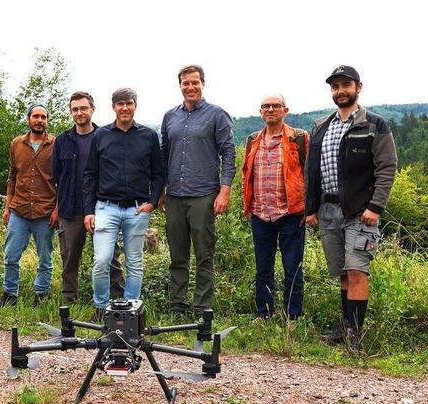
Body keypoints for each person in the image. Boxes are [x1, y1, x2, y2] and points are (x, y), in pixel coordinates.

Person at [305, 65, 397, 351]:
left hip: (360, 211)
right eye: (335, 86)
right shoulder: (321, 126)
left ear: (358, 87)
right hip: (328, 209)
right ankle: (345, 328)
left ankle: (356, 336)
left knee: (357, 272)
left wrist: (376, 207)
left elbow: (387, 167)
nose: (340, 91)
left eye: (346, 85)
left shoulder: (374, 124)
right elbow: (313, 171)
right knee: (343, 273)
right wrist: (311, 209)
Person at [160, 65, 236, 319]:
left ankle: (202, 308)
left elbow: (228, 153)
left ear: (203, 84)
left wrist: (224, 191)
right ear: (179, 85)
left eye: (195, 82)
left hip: (204, 194)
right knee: (177, 255)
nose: (190, 87)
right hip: (174, 196)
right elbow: (164, 154)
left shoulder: (217, 115)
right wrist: (161, 191)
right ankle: (177, 307)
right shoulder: (170, 117)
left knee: (204, 254)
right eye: (185, 83)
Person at [83, 88, 164, 319]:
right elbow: (90, 175)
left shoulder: (148, 136)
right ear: (113, 107)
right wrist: (89, 211)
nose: (124, 108)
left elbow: (158, 173)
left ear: (135, 105)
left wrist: (152, 203)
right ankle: (101, 309)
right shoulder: (102, 136)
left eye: (128, 103)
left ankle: (131, 311)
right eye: (120, 104)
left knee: (135, 261)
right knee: (101, 260)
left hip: (137, 208)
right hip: (106, 207)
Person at [52, 91, 124, 304]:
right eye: (75, 109)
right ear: (71, 112)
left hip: (102, 207)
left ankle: (118, 300)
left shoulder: (106, 136)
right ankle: (69, 299)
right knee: (69, 256)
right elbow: (57, 175)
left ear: (92, 109)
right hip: (70, 207)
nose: (79, 112)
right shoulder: (63, 141)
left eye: (83, 108)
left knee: (109, 256)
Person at [242, 94, 308, 320]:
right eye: (266, 106)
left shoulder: (299, 138)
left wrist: (309, 208)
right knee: (263, 269)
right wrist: (247, 205)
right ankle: (265, 315)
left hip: (291, 214)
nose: (270, 109)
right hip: (260, 213)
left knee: (293, 269)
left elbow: (309, 174)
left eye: (275, 106)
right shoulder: (253, 140)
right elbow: (246, 175)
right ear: (261, 112)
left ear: (285, 110)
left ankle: (293, 318)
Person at [0, 104, 57, 307]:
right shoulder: (17, 144)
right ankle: (10, 295)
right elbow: (12, 175)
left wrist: (57, 209)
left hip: (45, 210)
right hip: (19, 209)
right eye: (35, 116)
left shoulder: (56, 144)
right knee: (11, 255)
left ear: (47, 120)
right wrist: (7, 206)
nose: (39, 120)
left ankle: (41, 295)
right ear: (28, 119)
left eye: (43, 117)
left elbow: (62, 179)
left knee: (45, 258)